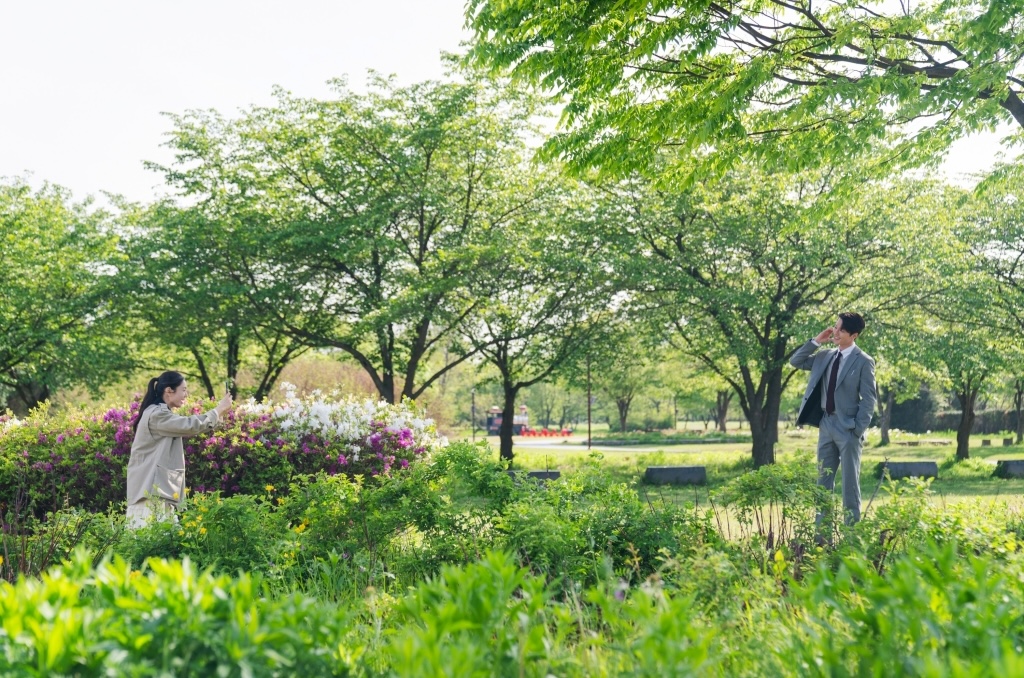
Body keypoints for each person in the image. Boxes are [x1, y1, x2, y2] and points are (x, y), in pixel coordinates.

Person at [791, 312, 877, 526]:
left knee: (850, 486)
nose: (835, 332)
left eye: (841, 330)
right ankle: (822, 538)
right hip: (826, 425)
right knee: (822, 484)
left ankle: (851, 538)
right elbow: (796, 361)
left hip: (848, 429)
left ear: (854, 335)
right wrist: (816, 342)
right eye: (835, 327)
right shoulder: (825, 356)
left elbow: (869, 398)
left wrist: (857, 430)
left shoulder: (864, 361)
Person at [126, 371, 231, 529]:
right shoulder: (157, 415)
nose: (186, 394)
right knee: (154, 546)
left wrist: (220, 413)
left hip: (156, 493)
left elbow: (189, 425)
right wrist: (218, 410)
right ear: (169, 391)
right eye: (183, 390)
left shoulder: (159, 413)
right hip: (150, 495)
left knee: (166, 547)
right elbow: (189, 425)